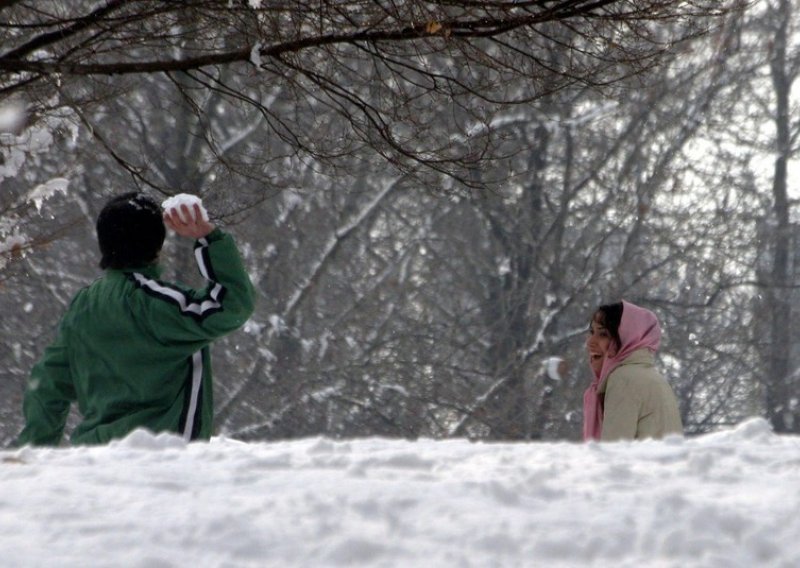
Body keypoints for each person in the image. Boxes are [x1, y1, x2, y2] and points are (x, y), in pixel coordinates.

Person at [15, 192, 255, 446]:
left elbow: (48, 386)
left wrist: (35, 453)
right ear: (157, 245)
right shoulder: (158, 305)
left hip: (93, 461)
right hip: (158, 461)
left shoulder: (83, 307)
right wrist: (208, 237)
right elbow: (231, 304)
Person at [583, 300, 683, 441]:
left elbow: (614, 453)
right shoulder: (652, 378)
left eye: (603, 334)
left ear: (626, 339)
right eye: (592, 332)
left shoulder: (624, 380)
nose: (590, 342)